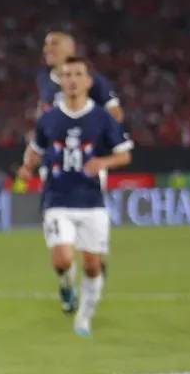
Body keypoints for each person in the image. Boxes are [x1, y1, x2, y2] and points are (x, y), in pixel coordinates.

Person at [17, 56, 133, 336]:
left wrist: (101, 164)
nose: (71, 79)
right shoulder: (50, 118)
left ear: (88, 81)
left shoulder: (102, 119)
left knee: (93, 265)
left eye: (77, 74)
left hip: (92, 201)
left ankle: (84, 316)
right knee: (63, 259)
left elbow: (124, 154)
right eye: (66, 75)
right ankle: (67, 285)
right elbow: (36, 147)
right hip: (57, 199)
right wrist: (27, 165)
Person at [36, 32, 124, 312]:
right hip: (56, 164)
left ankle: (92, 258)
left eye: (54, 44)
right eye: (46, 44)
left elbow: (116, 113)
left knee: (88, 232)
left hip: (86, 163)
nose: (47, 48)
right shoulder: (46, 79)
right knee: (60, 242)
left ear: (70, 48)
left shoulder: (92, 81)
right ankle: (66, 278)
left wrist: (94, 134)